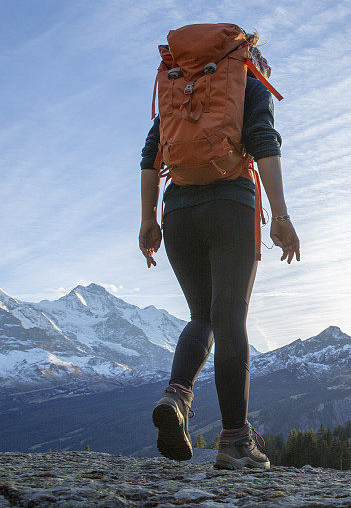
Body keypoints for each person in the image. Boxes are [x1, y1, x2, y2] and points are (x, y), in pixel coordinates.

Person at [138, 36, 300, 470]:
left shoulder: (179, 85)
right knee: (230, 317)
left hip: (177, 211)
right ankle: (234, 443)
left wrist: (147, 220)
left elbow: (151, 155)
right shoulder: (250, 84)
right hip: (230, 205)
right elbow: (264, 142)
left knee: (202, 317)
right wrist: (281, 216)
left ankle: (176, 396)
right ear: (254, 61)